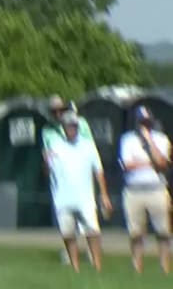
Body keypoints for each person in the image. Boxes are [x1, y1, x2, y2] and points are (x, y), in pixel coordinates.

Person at [45, 111, 112, 272]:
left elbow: (99, 171)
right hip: (63, 198)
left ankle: (97, 265)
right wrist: (46, 162)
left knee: (92, 232)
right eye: (69, 126)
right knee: (68, 234)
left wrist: (104, 195)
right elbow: (48, 173)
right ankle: (75, 267)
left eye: (74, 126)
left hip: (85, 198)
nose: (72, 129)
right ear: (64, 127)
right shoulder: (56, 146)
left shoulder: (88, 145)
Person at [41, 95, 97, 264]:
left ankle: (91, 252)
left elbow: (89, 148)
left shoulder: (81, 124)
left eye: (61, 110)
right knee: (65, 218)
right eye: (54, 111)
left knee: (87, 218)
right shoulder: (47, 130)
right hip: (60, 180)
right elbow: (47, 152)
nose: (58, 114)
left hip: (81, 178)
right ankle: (69, 251)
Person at [119, 105, 172, 274]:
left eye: (147, 122)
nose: (144, 126)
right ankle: (137, 266)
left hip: (156, 189)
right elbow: (127, 165)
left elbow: (162, 163)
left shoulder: (162, 139)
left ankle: (164, 266)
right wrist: (150, 163)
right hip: (133, 190)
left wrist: (149, 143)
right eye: (141, 122)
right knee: (136, 232)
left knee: (163, 231)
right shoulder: (127, 140)